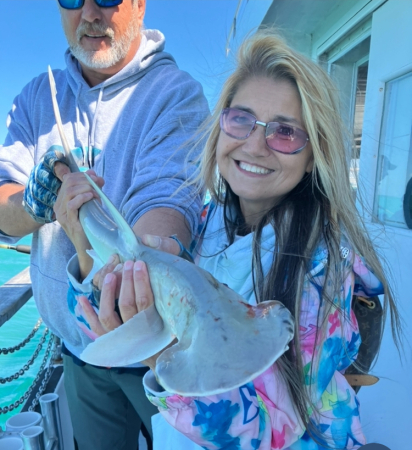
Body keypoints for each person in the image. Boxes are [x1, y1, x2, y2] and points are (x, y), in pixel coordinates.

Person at [67, 32, 402, 449]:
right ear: (220, 125)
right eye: (241, 119)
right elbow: (100, 328)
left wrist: (163, 358)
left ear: (314, 152)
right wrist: (83, 247)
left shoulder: (324, 270)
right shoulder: (203, 224)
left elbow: (272, 431)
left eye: (285, 132)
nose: (255, 145)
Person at [0, 0, 209, 448]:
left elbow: (167, 205)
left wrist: (133, 260)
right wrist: (35, 204)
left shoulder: (176, 94)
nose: (90, 13)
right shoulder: (38, 97)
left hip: (159, 355)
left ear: (139, 4)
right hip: (81, 351)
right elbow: (3, 207)